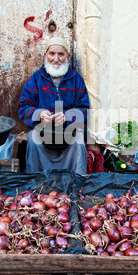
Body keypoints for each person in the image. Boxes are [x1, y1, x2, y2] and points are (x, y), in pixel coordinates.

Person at [17, 37, 90, 175]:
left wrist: (67, 116)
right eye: (52, 53)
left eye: (61, 54)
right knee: (33, 140)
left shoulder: (75, 79)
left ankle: (77, 183)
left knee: (79, 141)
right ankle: (35, 184)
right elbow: (23, 106)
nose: (56, 59)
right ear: (46, 55)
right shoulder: (37, 79)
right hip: (43, 130)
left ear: (67, 56)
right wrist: (39, 114)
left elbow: (85, 110)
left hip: (69, 131)